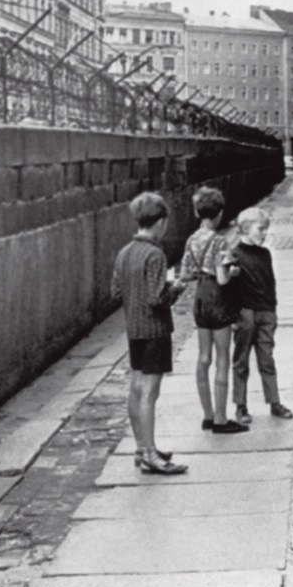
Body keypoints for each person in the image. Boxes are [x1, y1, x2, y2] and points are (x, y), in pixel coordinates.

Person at [111, 191, 188, 474]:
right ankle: (151, 453)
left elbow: (115, 291)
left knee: (136, 387)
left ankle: (141, 447)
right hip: (154, 330)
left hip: (134, 329)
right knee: (150, 393)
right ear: (160, 222)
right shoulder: (155, 254)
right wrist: (176, 288)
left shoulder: (124, 252)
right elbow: (158, 299)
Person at [178, 187, 249, 434]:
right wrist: (233, 271)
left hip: (200, 298)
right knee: (222, 358)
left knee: (203, 357)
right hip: (218, 299)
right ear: (218, 213)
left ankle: (207, 415)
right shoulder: (219, 241)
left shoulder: (191, 239)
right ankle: (220, 419)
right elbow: (222, 279)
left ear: (198, 212)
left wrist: (200, 271)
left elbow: (185, 274)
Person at [228, 206, 293, 423]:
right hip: (245, 313)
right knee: (241, 360)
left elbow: (270, 282)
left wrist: (272, 310)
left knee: (267, 359)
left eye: (266, 229)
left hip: (265, 312)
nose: (264, 233)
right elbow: (229, 289)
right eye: (260, 229)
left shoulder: (265, 254)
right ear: (246, 228)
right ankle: (241, 405)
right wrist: (234, 317)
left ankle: (274, 402)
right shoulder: (234, 255)